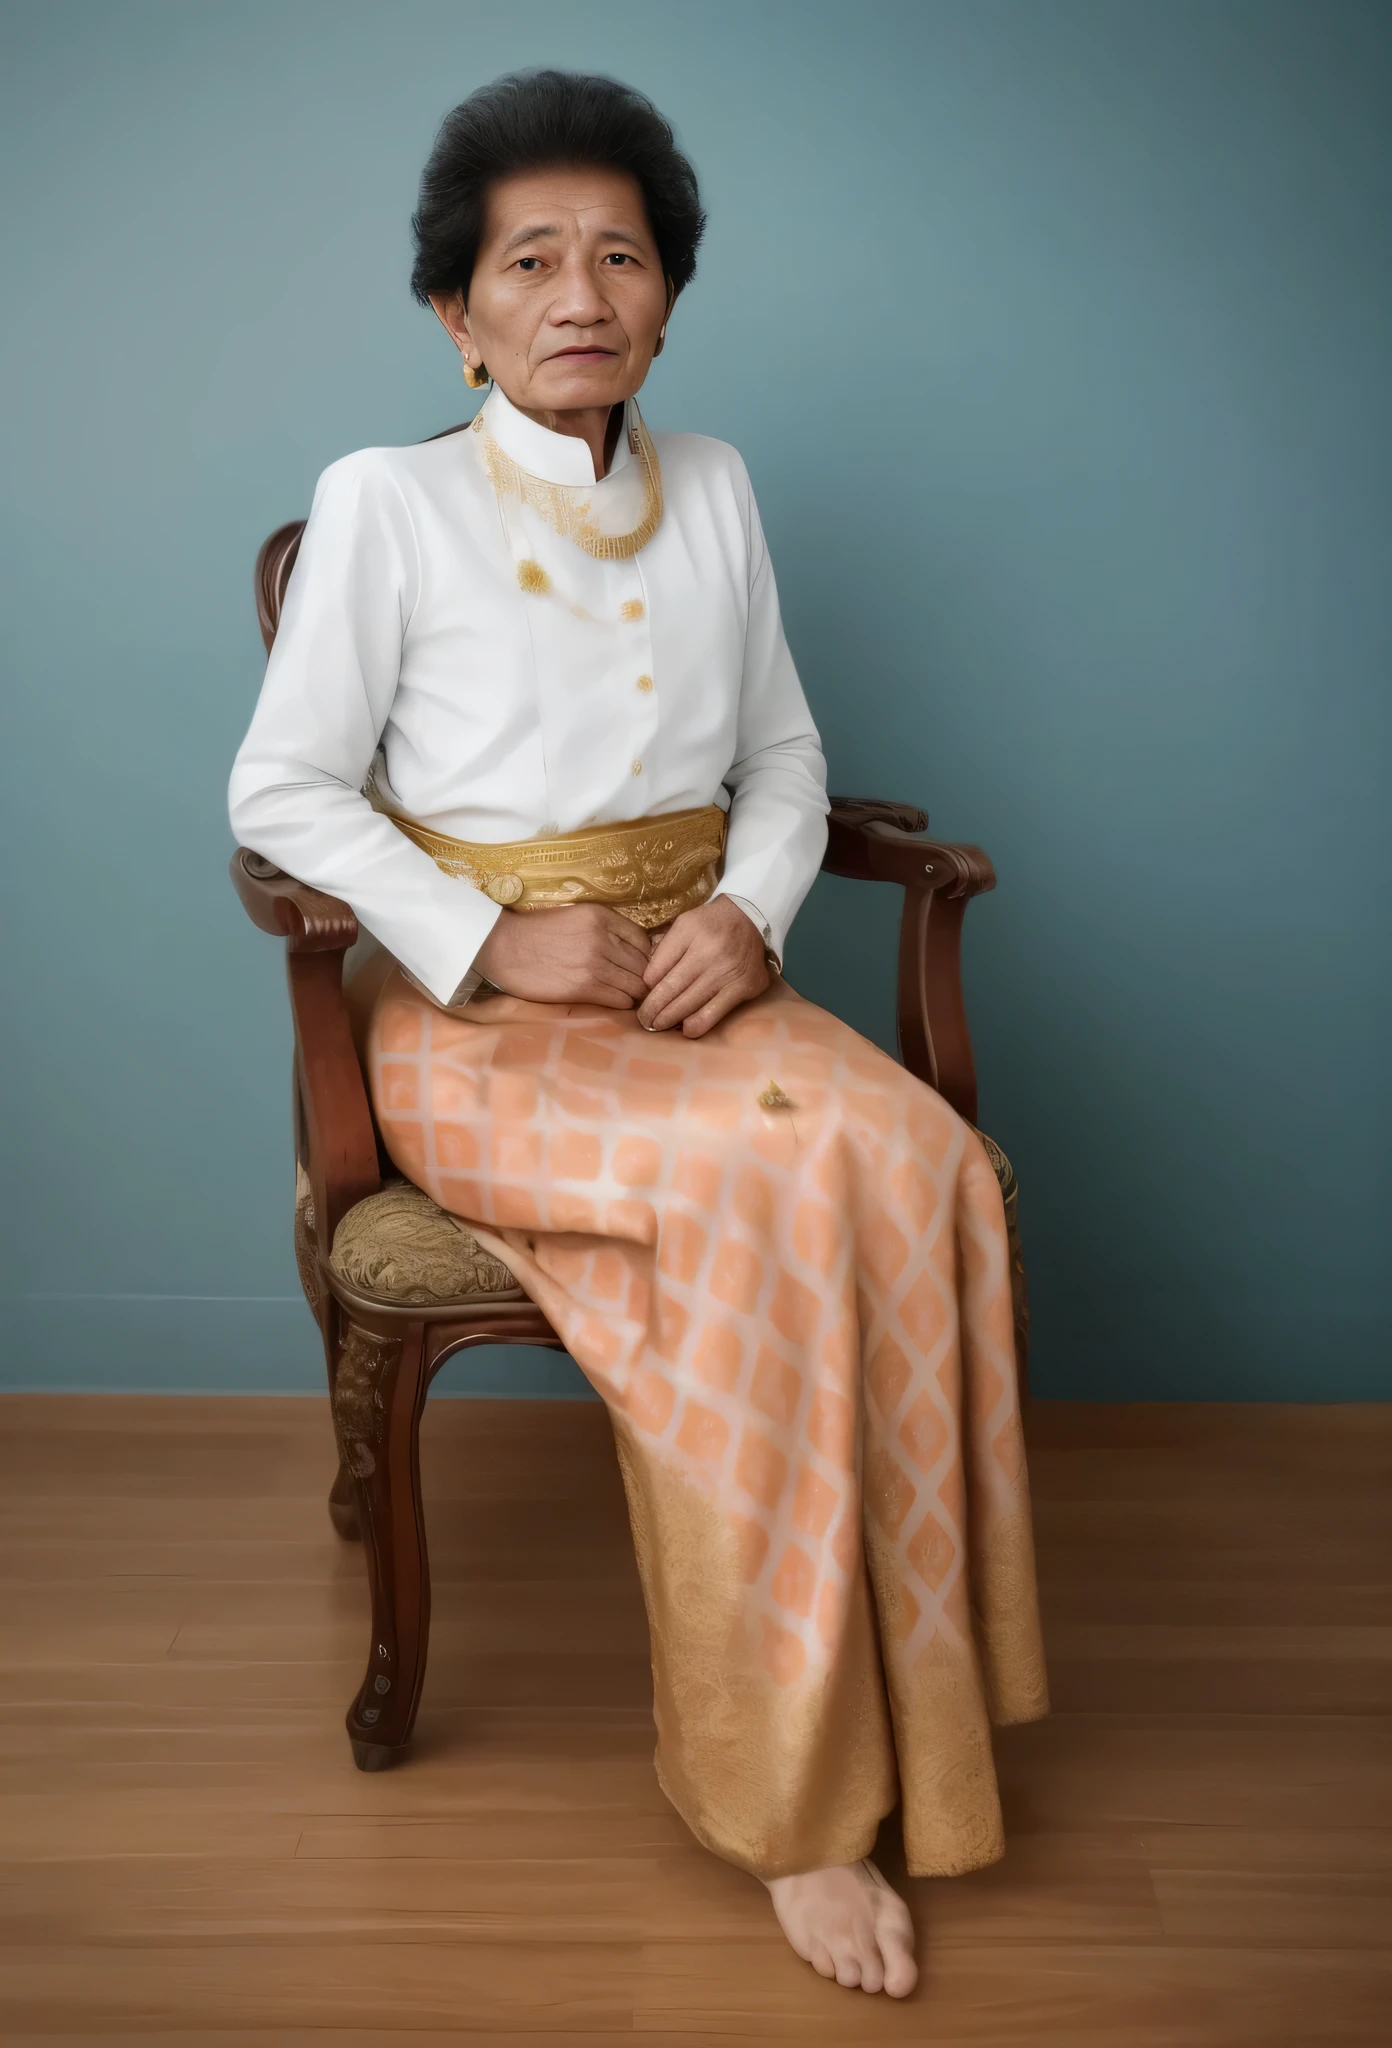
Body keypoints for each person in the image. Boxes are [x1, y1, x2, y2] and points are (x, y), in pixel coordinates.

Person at [229, 67, 1046, 2000]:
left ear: (669, 293)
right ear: (461, 308)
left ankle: (927, 1715)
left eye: (621, 253)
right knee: (780, 1188)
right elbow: (283, 796)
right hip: (470, 1022)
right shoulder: (385, 501)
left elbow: (784, 757)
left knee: (915, 1156)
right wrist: (495, 939)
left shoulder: (725, 488)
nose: (580, 290)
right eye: (532, 260)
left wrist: (756, 919)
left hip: (705, 984)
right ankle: (799, 1805)